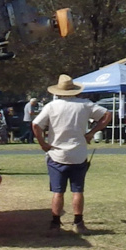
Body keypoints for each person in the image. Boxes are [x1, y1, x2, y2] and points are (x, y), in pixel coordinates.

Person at [31, 75, 110, 234]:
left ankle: (55, 224)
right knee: (77, 190)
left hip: (56, 154)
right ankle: (78, 222)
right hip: (78, 153)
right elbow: (107, 115)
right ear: (74, 90)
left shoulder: (52, 106)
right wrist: (91, 133)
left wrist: (43, 143)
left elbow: (36, 125)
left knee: (58, 191)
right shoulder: (85, 105)